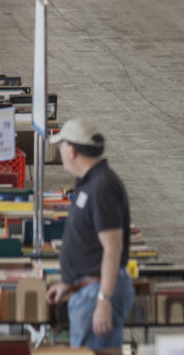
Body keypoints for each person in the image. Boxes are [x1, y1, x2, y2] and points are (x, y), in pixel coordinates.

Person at [44, 119, 134, 350]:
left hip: (96, 294)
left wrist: (104, 300)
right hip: (87, 289)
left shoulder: (102, 186)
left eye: (61, 146)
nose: (59, 151)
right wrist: (67, 282)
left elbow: (113, 247)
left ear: (72, 150)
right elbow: (89, 242)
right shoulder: (89, 183)